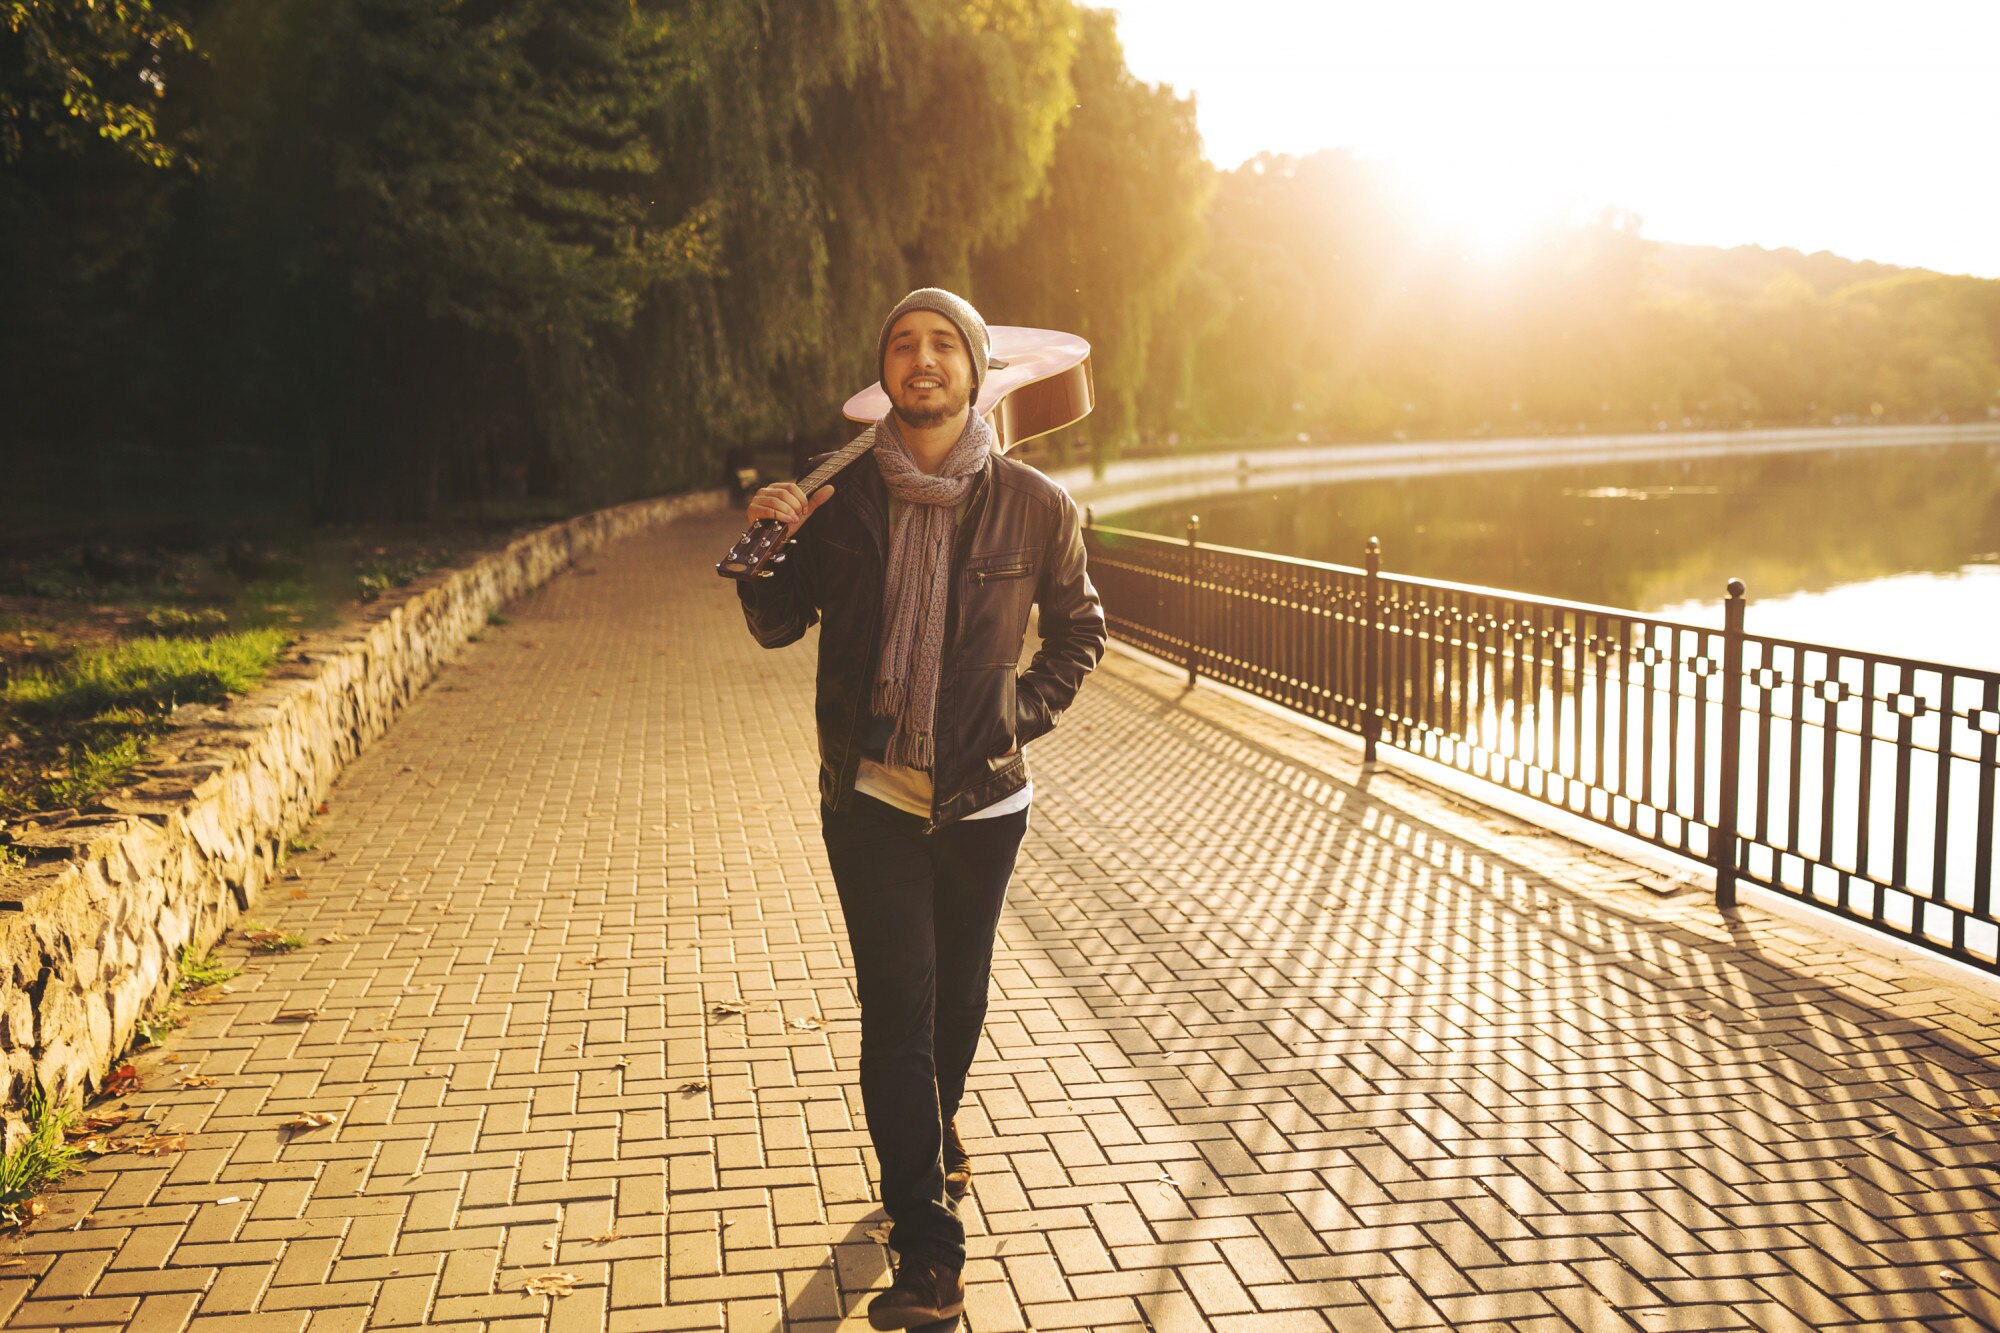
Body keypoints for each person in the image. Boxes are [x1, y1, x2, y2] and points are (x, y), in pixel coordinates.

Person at [736, 288, 1105, 1329]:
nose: (923, 357)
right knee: (898, 1009)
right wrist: (764, 545)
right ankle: (928, 1250)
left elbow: (1079, 630)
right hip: (869, 798)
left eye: (944, 343)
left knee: (958, 1000)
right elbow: (776, 623)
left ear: (975, 371)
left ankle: (935, 1125)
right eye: (903, 343)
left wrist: (1011, 716)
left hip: (984, 803)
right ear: (884, 372)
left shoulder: (1035, 502)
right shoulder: (839, 497)